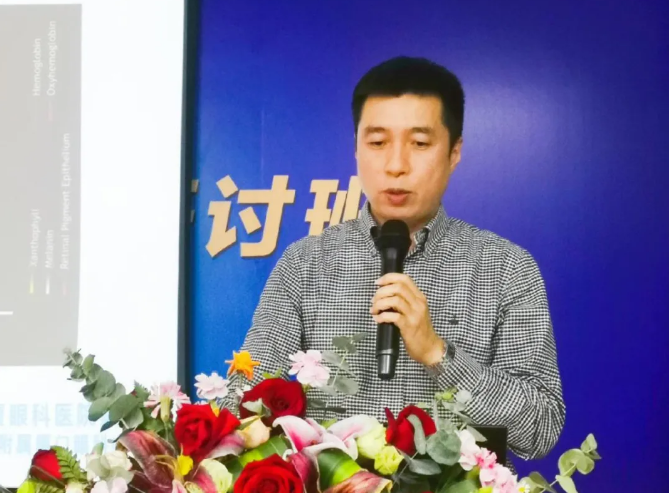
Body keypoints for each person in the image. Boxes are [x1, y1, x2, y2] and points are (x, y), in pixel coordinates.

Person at [235, 56, 565, 461]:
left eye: (420, 144)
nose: (396, 166)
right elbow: (243, 401)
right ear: (356, 149)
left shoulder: (506, 268)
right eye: (377, 143)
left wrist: (438, 354)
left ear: (454, 152)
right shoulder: (305, 264)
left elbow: (540, 429)